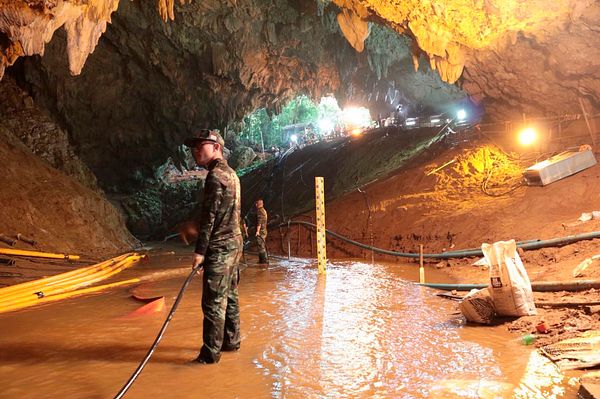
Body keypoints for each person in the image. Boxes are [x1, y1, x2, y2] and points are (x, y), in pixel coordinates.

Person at [184, 128, 243, 364]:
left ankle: (209, 356)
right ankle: (232, 341)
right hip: (234, 244)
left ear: (216, 147)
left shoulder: (215, 176)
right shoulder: (232, 174)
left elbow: (210, 218)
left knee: (213, 303)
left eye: (201, 146)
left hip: (219, 247)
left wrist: (199, 252)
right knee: (230, 295)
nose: (196, 150)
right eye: (194, 147)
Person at [255, 199, 269, 264]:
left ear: (258, 204)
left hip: (261, 231)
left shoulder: (260, 211)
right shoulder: (264, 211)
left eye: (256, 204)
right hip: (264, 230)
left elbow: (259, 222)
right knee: (261, 245)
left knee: (261, 246)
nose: (255, 205)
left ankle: (264, 261)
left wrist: (257, 231)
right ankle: (262, 260)